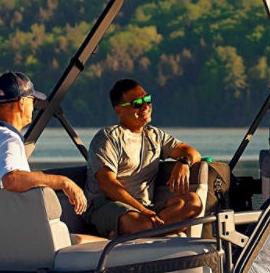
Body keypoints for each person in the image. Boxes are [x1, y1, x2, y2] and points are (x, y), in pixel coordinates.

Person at [84, 79, 204, 237]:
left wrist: (184, 162)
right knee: (142, 223)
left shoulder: (155, 135)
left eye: (147, 100)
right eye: (137, 103)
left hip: (145, 209)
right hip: (106, 206)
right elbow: (108, 184)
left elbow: (192, 152)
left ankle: (141, 233)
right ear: (118, 110)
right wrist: (142, 211)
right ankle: (151, 230)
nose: (145, 106)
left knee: (194, 202)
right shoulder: (108, 137)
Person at [0, 71, 86, 214]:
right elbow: (11, 179)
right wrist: (64, 182)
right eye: (33, 100)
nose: (34, 107)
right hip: (12, 225)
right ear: (21, 103)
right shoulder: (9, 140)